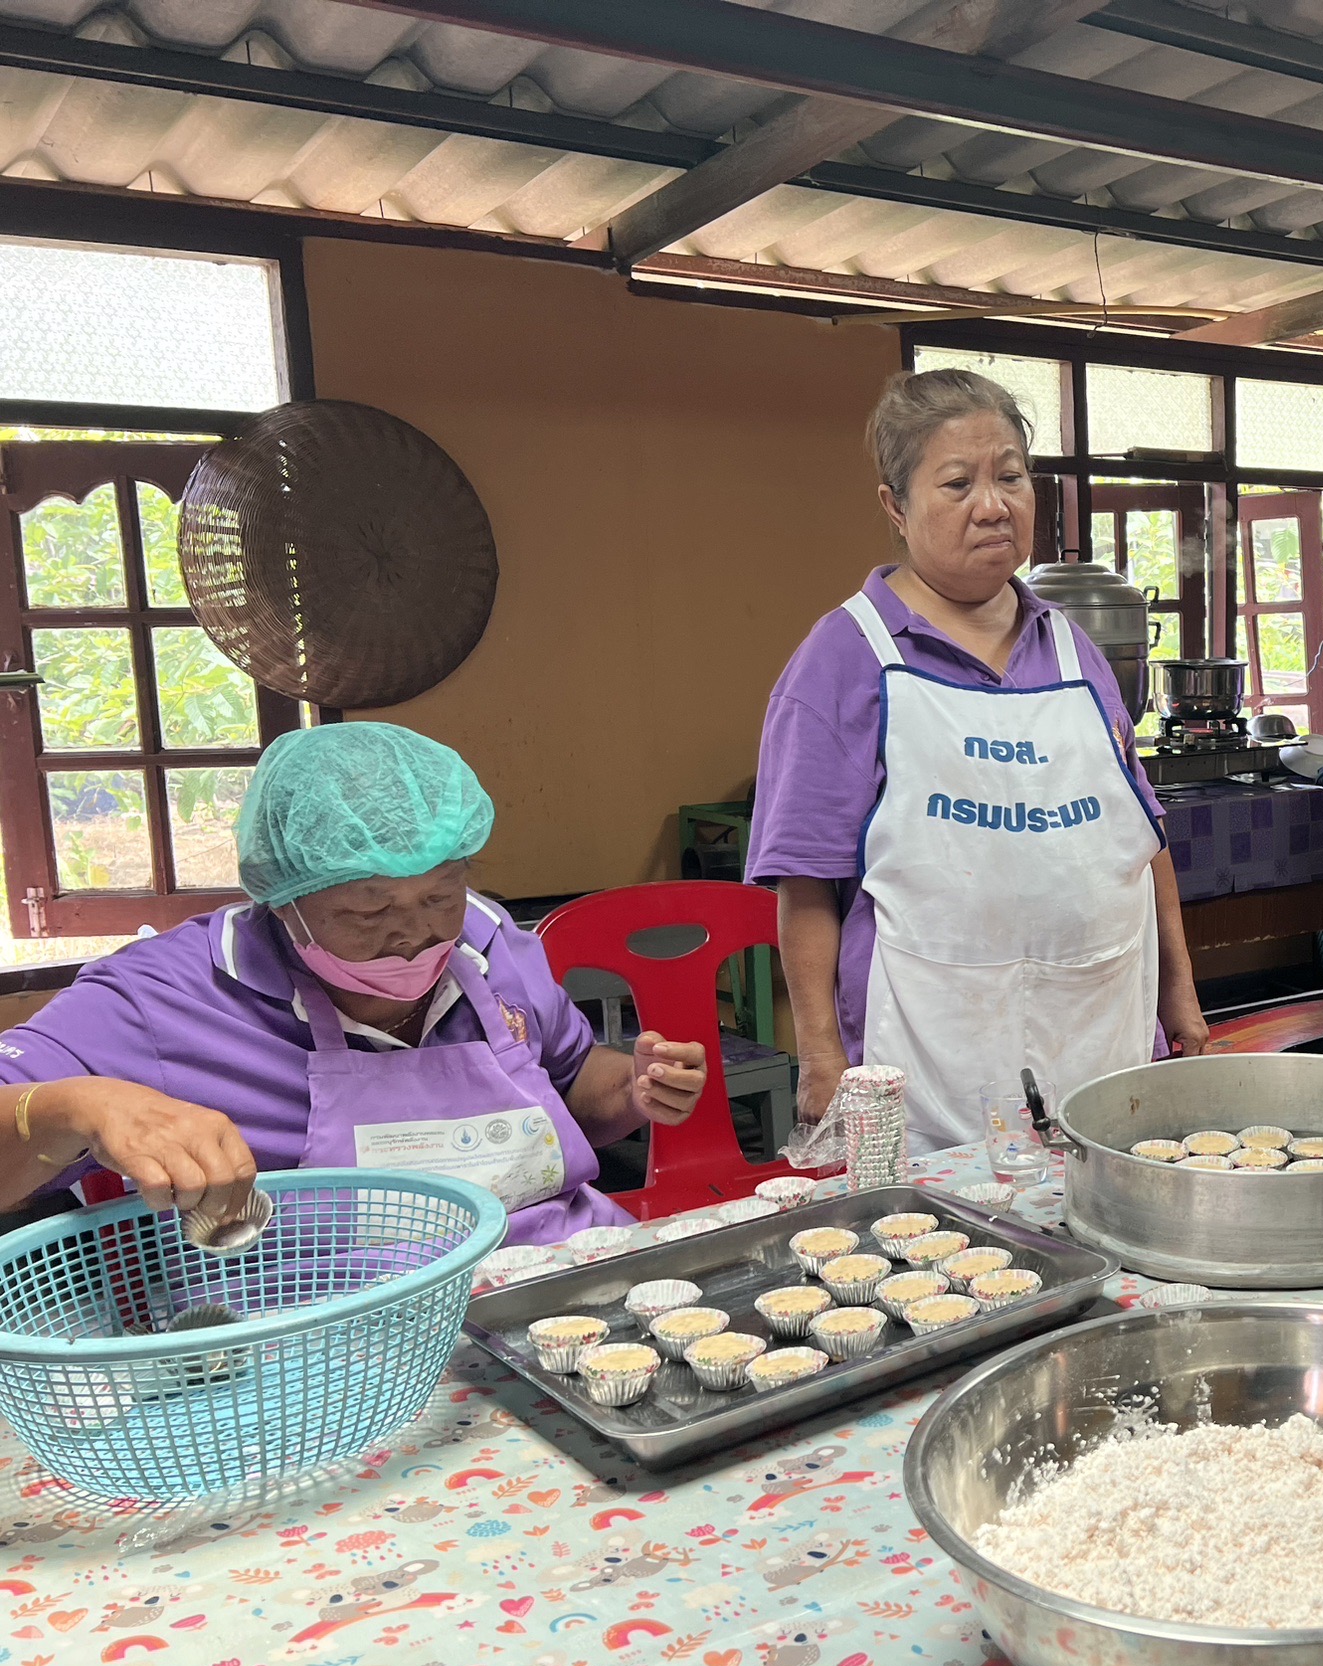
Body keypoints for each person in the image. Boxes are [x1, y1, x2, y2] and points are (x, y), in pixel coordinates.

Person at [0, 724, 710, 1242]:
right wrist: (75, 1106)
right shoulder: (162, 1000)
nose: (414, 935)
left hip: (555, 1299)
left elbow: (569, 1086)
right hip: (328, 1358)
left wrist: (634, 1089)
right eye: (366, 911)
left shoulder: (493, 947)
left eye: (441, 895)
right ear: (282, 901)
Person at [749, 368, 1206, 1153]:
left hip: (1099, 1029)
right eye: (957, 483)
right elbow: (806, 883)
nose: (992, 505)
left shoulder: (1072, 650)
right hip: (929, 1051)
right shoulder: (847, 658)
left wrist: (1181, 1000)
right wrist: (821, 1056)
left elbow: (1141, 841)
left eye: (1011, 477)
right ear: (894, 506)